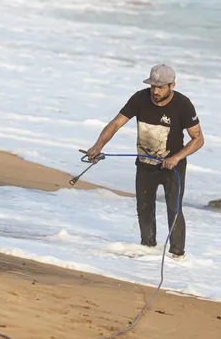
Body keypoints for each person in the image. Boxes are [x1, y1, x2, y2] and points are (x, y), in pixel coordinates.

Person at [86, 64, 205, 258]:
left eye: (161, 87)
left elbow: (198, 139)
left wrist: (176, 158)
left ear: (172, 85)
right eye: (153, 86)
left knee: (173, 209)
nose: (156, 91)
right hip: (144, 164)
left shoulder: (183, 105)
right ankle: (147, 248)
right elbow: (116, 123)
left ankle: (177, 255)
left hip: (172, 167)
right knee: (144, 207)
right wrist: (98, 146)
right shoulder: (140, 99)